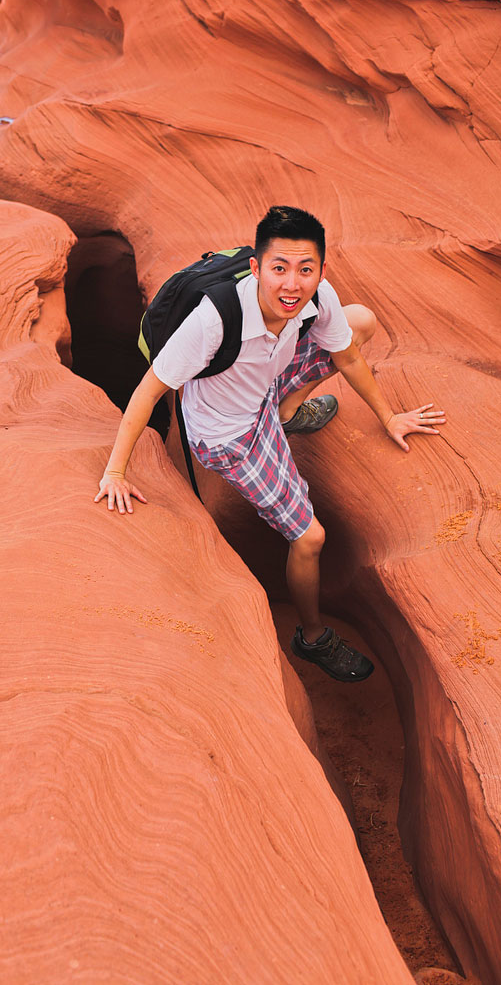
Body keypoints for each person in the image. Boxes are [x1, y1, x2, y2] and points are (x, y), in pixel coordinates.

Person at [94, 206, 445, 681]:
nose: (292, 285)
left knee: (358, 320)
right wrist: (115, 471)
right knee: (310, 537)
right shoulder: (214, 319)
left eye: (306, 270)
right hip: (231, 433)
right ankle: (313, 638)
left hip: (264, 387)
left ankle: (287, 411)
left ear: (321, 269)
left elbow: (348, 356)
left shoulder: (317, 296)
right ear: (256, 268)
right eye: (279, 269)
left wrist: (390, 417)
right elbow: (148, 391)